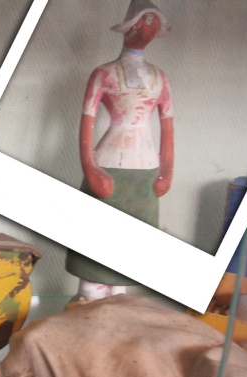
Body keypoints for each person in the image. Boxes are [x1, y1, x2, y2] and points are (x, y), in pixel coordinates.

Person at [66, 0, 174, 303]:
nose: (147, 28)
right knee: (95, 247)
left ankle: (117, 306)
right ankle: (88, 303)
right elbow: (86, 124)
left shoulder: (160, 77)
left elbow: (168, 126)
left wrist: (167, 170)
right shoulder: (104, 74)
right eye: (143, 21)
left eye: (153, 22)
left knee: (129, 253)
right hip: (108, 165)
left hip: (146, 170)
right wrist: (90, 168)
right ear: (130, 26)